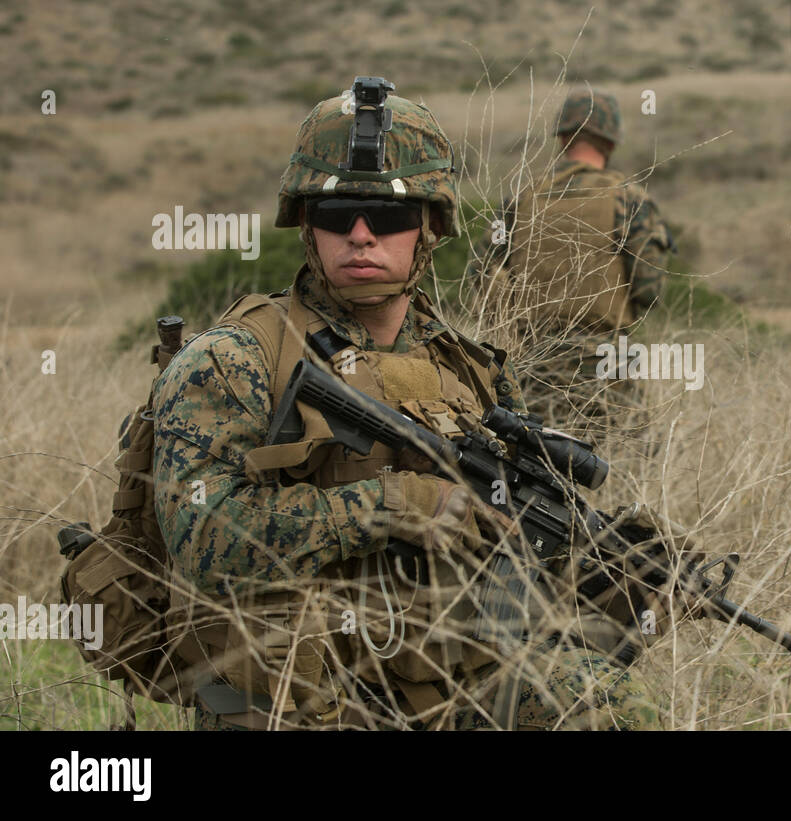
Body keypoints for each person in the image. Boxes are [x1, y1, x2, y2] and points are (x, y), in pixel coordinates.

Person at [151, 78, 660, 730]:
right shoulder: (235, 360)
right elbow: (202, 537)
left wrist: (616, 576)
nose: (361, 235)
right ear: (306, 224)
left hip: (446, 684)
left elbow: (513, 557)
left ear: (431, 226)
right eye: (337, 214)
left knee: (611, 705)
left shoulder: (469, 372)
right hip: (296, 699)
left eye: (388, 215)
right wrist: (393, 505)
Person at [470, 87, 676, 432]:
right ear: (610, 142)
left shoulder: (520, 201)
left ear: (562, 138)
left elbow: (481, 272)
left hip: (534, 362)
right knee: (619, 463)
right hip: (607, 362)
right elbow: (650, 291)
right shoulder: (630, 200)